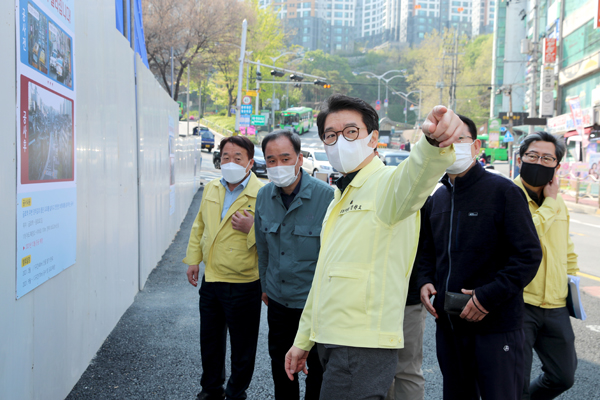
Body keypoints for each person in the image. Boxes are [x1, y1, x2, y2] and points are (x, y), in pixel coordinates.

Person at [285, 94, 462, 400]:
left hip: (363, 346)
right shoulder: (339, 199)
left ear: (373, 138)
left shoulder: (387, 185)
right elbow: (324, 278)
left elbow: (415, 177)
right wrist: (304, 339)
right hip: (333, 339)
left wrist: (432, 143)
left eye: (351, 131)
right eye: (331, 135)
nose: (340, 141)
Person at [417, 115, 543, 400]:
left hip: (496, 327)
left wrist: (487, 297)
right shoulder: (437, 198)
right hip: (448, 327)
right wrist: (425, 281)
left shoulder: (503, 192)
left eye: (458, 139)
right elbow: (427, 251)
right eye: (442, 142)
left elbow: (528, 255)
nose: (450, 147)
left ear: (475, 147)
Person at [183, 136, 264, 400]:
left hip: (244, 283)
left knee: (242, 347)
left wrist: (252, 229)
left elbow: (273, 238)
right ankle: (211, 389)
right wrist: (194, 259)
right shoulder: (212, 188)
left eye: (238, 157)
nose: (230, 162)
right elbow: (199, 227)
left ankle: (236, 393)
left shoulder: (262, 194)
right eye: (226, 157)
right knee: (210, 341)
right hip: (212, 279)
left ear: (250, 162)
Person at [255, 130, 334, 400]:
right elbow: (262, 247)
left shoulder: (327, 198)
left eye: (285, 158)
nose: (278, 166)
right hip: (278, 302)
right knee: (282, 368)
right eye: (271, 160)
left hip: (314, 305)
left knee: (318, 371)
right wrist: (265, 286)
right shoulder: (264, 196)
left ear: (299, 159)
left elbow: (333, 255)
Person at [514, 132, 579, 400]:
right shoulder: (507, 194)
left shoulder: (559, 203)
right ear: (520, 160)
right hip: (519, 303)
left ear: (557, 166)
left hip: (555, 306)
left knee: (563, 376)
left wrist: (572, 286)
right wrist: (551, 202)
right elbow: (525, 235)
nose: (539, 162)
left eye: (547, 158)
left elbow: (567, 248)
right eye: (533, 156)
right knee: (515, 376)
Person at [385, 221, 428, 400]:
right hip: (373, 299)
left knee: (406, 369)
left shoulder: (423, 203)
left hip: (408, 299)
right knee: (375, 370)